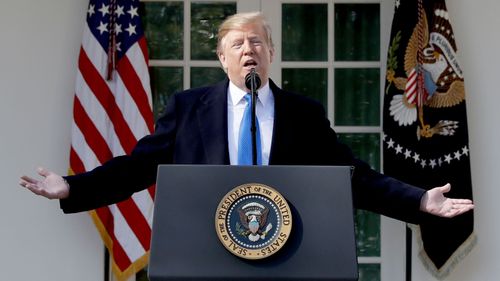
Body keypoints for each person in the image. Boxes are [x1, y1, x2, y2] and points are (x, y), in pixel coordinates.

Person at [20, 12, 473, 221]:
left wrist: (418, 199)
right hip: (206, 250)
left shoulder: (303, 113)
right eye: (237, 44)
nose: (248, 50)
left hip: (285, 253)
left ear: (271, 53)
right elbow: (138, 167)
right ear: (221, 58)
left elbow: (352, 176)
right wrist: (74, 187)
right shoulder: (188, 108)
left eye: (257, 42)